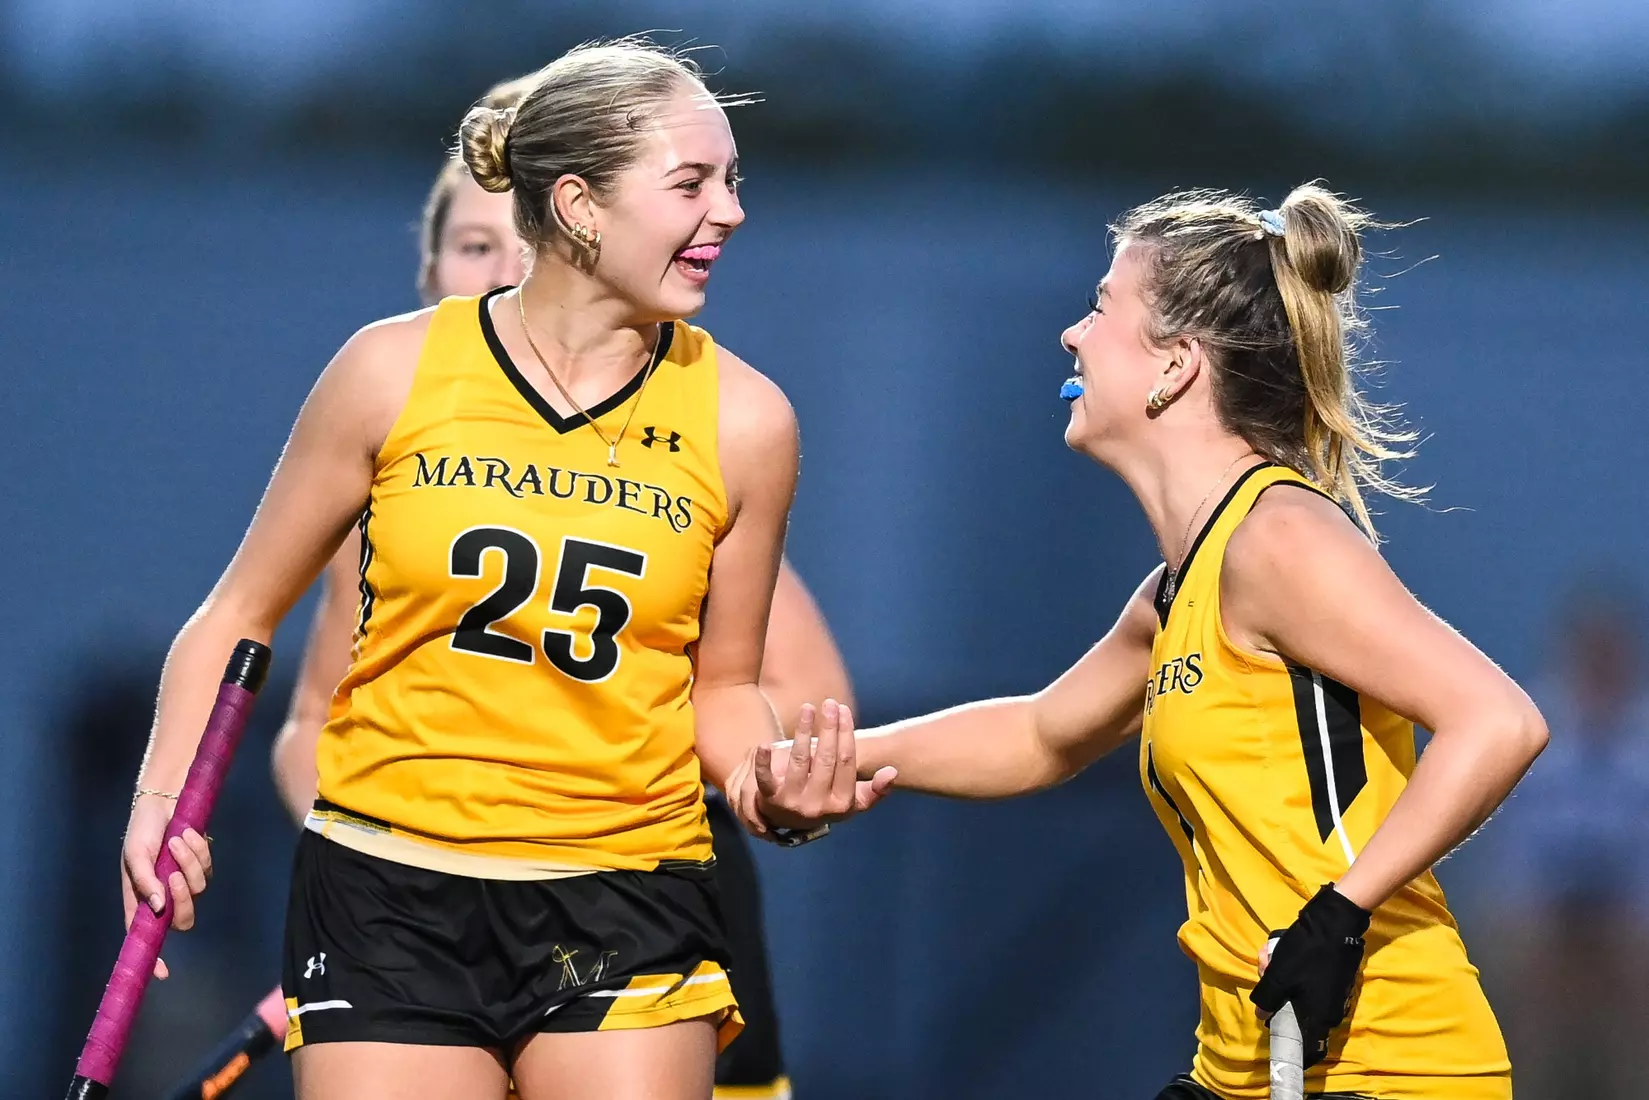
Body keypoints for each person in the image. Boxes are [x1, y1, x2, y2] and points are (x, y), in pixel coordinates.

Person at [123, 38, 887, 1100]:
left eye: (733, 180)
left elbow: (722, 688)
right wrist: (162, 793)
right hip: (387, 893)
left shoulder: (747, 419)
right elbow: (236, 613)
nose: (731, 212)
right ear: (578, 204)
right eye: (691, 183)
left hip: (625, 893)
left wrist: (772, 786)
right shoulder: (388, 370)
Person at [738, 185, 1549, 1099]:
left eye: (1098, 307)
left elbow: (1498, 721)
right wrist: (825, 761)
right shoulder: (1177, 589)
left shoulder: (1275, 541)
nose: (1071, 336)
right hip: (1242, 1071)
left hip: (1388, 1068)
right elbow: (1042, 734)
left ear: (1176, 366)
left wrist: (1344, 914)